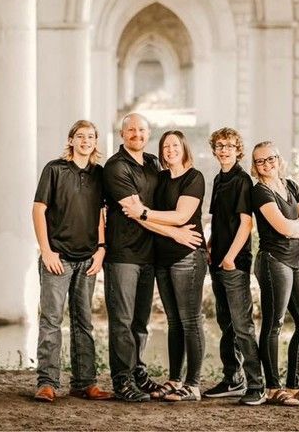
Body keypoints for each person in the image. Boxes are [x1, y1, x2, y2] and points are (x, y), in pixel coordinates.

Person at [102, 113, 201, 403]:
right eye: (131, 130)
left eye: (142, 130)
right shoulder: (116, 167)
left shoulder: (152, 164)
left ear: (148, 134)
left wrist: (172, 231)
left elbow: (158, 210)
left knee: (140, 322)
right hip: (123, 254)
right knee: (122, 321)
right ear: (122, 134)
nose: (137, 134)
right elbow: (137, 213)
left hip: (149, 256)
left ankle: (138, 374)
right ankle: (122, 381)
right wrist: (176, 234)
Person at [31, 120, 111, 404]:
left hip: (88, 258)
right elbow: (39, 210)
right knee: (51, 320)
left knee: (84, 322)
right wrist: (46, 250)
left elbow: (101, 214)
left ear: (95, 142)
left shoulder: (99, 174)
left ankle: (84, 382)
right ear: (71, 140)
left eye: (90, 137)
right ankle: (47, 383)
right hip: (59, 258)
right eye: (81, 136)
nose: (86, 141)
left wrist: (101, 249)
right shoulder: (54, 169)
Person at [250, 141, 299, 407]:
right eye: (260, 161)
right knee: (274, 324)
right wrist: (297, 226)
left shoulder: (291, 185)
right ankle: (272, 388)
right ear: (255, 166)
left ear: (279, 160)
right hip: (274, 262)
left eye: (270, 159)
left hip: (298, 261)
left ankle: (293, 386)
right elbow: (282, 228)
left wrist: (298, 228)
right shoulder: (259, 192)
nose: (266, 164)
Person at [202, 127, 265, 406]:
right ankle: (232, 379)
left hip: (234, 264)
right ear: (214, 149)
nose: (224, 149)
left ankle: (256, 384)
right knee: (225, 322)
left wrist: (229, 257)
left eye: (229, 145)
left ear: (238, 150)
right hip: (217, 261)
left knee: (242, 326)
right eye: (220, 145)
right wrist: (211, 246)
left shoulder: (242, 181)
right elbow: (219, 220)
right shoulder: (219, 179)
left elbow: (245, 223)